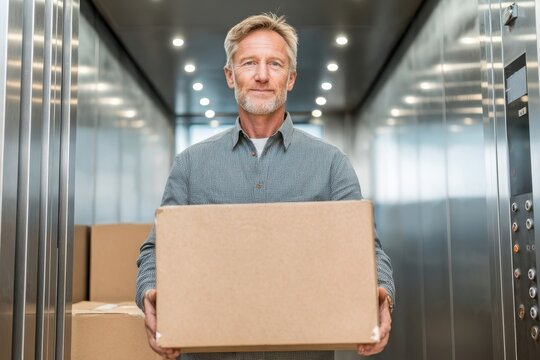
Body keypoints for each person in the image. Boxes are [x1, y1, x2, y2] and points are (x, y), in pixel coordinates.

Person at [136, 13, 395, 360]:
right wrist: (150, 292)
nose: (261, 75)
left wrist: (382, 294)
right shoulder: (190, 165)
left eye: (275, 64)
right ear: (230, 76)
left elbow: (367, 251)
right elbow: (155, 251)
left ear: (291, 79)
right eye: (249, 63)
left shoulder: (331, 165)